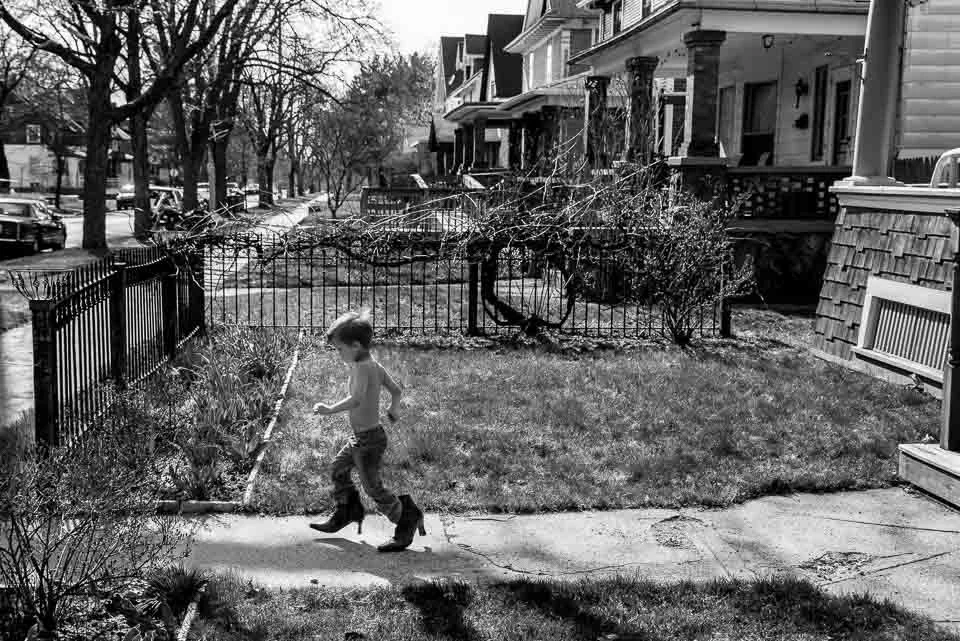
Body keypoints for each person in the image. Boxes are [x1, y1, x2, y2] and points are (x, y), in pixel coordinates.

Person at [309, 309, 426, 552]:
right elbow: (396, 390)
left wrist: (329, 409)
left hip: (369, 440)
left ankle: (407, 518)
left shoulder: (362, 369)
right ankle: (348, 509)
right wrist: (394, 409)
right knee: (338, 468)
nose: (338, 354)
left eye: (340, 349)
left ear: (355, 345)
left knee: (373, 488)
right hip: (362, 438)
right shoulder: (373, 365)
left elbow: (356, 399)